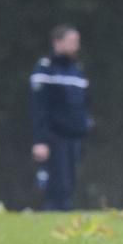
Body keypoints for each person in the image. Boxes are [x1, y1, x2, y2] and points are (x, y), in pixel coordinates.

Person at [30, 25, 91, 210]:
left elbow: (83, 103)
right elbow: (39, 107)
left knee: (69, 185)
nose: (76, 46)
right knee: (56, 185)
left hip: (74, 137)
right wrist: (40, 140)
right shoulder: (45, 69)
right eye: (72, 41)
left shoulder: (76, 70)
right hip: (53, 137)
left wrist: (86, 123)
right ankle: (52, 219)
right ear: (57, 42)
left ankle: (64, 216)